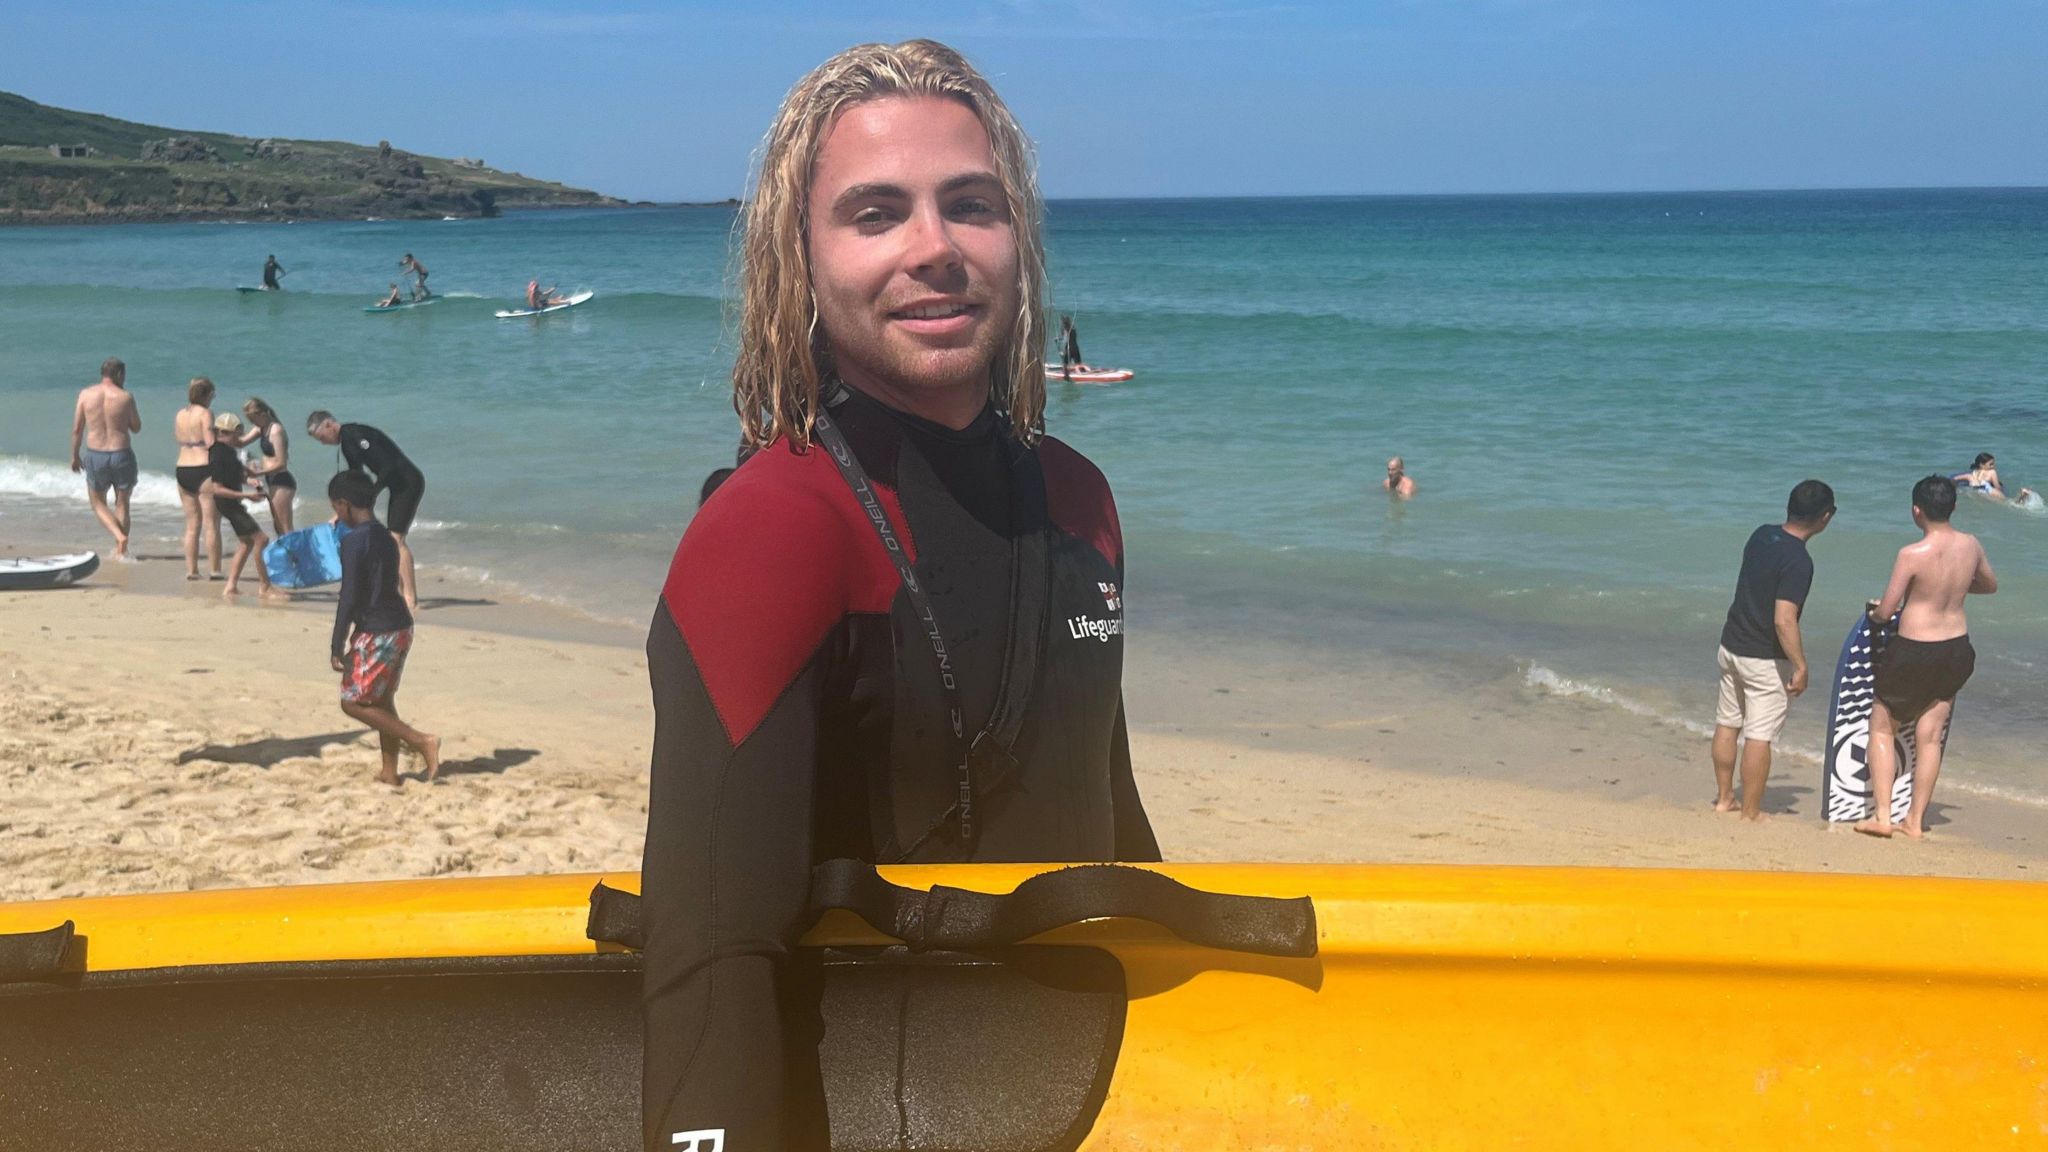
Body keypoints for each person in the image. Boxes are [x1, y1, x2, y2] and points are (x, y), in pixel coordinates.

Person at [640, 40, 1158, 1150]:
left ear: (1016, 237)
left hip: (1087, 1093)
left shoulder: (1077, 500)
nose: (933, 249)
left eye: (969, 204)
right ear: (801, 257)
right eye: (874, 214)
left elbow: (1108, 823)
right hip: (877, 1106)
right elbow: (712, 955)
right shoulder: (773, 527)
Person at [1854, 475, 1997, 840]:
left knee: (1882, 725)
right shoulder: (1971, 545)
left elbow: (1887, 611)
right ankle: (1915, 822)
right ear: (1954, 507)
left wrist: (1874, 614)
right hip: (1956, 649)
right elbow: (1990, 585)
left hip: (1914, 649)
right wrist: (1958, 586)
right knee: (1930, 736)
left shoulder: (1912, 554)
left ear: (1916, 511)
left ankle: (1883, 817)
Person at [1711, 479, 1834, 821]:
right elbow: (1784, 619)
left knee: (1727, 722)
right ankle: (1750, 812)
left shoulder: (1761, 534)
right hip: (1763, 657)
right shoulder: (1799, 561)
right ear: (1825, 517)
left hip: (1731, 644)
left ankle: (1724, 799)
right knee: (1759, 735)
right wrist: (1801, 665)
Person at [327, 470, 438, 786]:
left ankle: (421, 740)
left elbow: (348, 596)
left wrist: (337, 646)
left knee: (353, 702)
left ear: (345, 504)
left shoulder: (353, 541)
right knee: (381, 702)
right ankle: (390, 773)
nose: (337, 515)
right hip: (401, 625)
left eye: (336, 508)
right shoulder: (388, 538)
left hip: (376, 631)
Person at [306, 411, 425, 612]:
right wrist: (342, 512)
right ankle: (397, 592)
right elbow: (356, 480)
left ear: (328, 425)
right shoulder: (347, 445)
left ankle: (410, 598)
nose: (323, 443)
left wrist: (371, 494)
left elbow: (389, 466)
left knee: (396, 540)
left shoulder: (355, 434)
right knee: (391, 540)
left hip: (408, 482)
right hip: (397, 486)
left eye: (321, 438)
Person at [69, 357, 142, 561]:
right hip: (121, 453)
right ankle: (122, 549)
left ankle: (119, 537)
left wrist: (74, 456)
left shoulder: (85, 395)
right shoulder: (125, 397)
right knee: (122, 502)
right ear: (118, 374)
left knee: (98, 502)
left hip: (96, 454)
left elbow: (77, 429)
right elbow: (136, 427)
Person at [204, 413, 277, 599]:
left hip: (233, 501)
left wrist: (249, 480)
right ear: (226, 433)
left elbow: (234, 474)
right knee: (261, 539)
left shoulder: (228, 451)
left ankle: (231, 586)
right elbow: (218, 489)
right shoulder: (217, 454)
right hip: (228, 504)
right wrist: (247, 495)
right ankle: (265, 587)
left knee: (246, 542)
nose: (240, 439)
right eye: (237, 435)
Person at [174, 376, 223, 581]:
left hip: (183, 466)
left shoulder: (180, 414)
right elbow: (210, 442)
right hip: (203, 468)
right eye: (212, 394)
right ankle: (214, 570)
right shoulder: (205, 413)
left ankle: (192, 570)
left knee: (192, 524)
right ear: (206, 394)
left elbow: (178, 438)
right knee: (212, 523)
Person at [236, 396, 297, 535]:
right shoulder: (261, 428)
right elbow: (241, 442)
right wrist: (222, 435)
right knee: (277, 524)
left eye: (253, 419)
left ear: (262, 414)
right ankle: (285, 554)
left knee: (284, 525)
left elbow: (281, 463)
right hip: (272, 480)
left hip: (282, 480)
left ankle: (295, 555)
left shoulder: (275, 430)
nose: (252, 423)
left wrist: (257, 473)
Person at [1057, 312, 1084, 377]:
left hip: (1069, 348)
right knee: (1078, 363)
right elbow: (1066, 336)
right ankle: (1082, 372)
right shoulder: (1073, 328)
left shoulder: (1068, 329)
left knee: (1065, 364)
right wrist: (1059, 338)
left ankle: (1066, 377)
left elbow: (1066, 336)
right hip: (1075, 348)